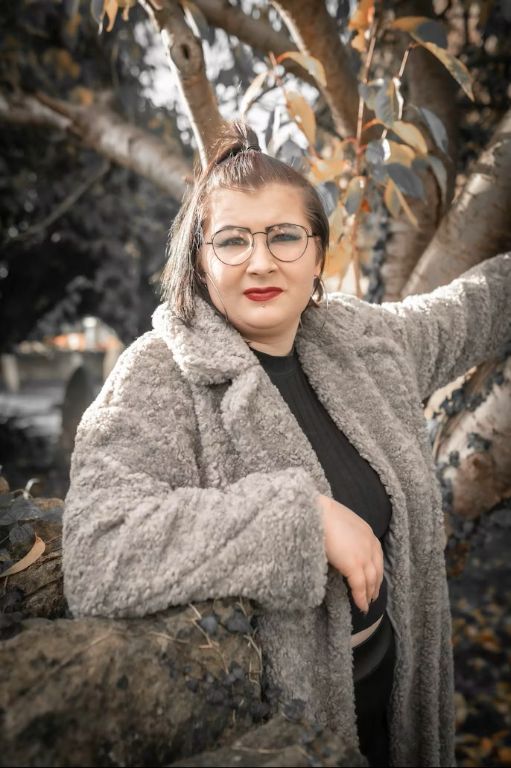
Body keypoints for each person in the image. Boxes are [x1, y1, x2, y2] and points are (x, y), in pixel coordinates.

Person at [63, 120, 511, 767]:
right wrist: (301, 520)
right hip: (281, 737)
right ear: (200, 260)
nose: (261, 262)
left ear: (317, 252)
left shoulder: (361, 342)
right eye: (232, 241)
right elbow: (98, 552)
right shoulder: (159, 374)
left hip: (403, 714)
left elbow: (474, 309)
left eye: (283, 236)